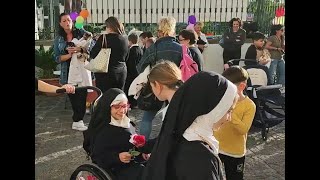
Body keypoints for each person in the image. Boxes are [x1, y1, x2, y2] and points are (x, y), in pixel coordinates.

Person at [141, 71, 239, 180]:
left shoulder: (178, 133)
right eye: (228, 110)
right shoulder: (202, 158)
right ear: (213, 108)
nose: (229, 118)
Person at [136, 16, 185, 140]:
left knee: (147, 118)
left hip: (155, 85)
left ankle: (142, 146)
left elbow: (140, 67)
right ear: (173, 29)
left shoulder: (153, 48)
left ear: (159, 30)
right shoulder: (181, 49)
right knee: (172, 119)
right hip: (175, 87)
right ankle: (168, 146)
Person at [87, 88, 148, 180]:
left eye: (124, 106)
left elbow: (133, 146)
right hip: (114, 167)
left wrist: (142, 153)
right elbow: (97, 157)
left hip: (132, 161)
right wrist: (117, 157)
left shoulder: (127, 122)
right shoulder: (103, 130)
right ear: (108, 106)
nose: (122, 111)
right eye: (117, 106)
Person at [214, 66, 256, 180]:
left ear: (242, 86)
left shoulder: (249, 106)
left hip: (235, 152)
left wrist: (230, 112)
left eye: (227, 87)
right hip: (217, 147)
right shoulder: (222, 99)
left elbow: (243, 129)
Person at [53, 12, 92, 131]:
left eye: (68, 20)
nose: (67, 23)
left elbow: (92, 48)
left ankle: (78, 120)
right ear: (60, 24)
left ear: (72, 21)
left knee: (82, 97)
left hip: (82, 71)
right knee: (74, 99)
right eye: (64, 21)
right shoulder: (59, 39)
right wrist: (69, 55)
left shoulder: (81, 33)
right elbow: (56, 58)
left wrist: (79, 49)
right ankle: (77, 120)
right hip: (67, 74)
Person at [90, 17, 129, 93]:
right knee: (118, 96)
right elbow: (126, 57)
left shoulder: (104, 38)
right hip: (121, 72)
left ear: (109, 27)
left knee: (105, 98)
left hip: (106, 73)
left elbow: (93, 54)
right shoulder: (124, 39)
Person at [124, 33, 143, 108]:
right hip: (138, 72)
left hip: (131, 74)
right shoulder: (140, 50)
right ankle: (135, 103)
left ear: (130, 41)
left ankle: (132, 104)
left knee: (130, 89)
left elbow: (131, 64)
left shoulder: (131, 50)